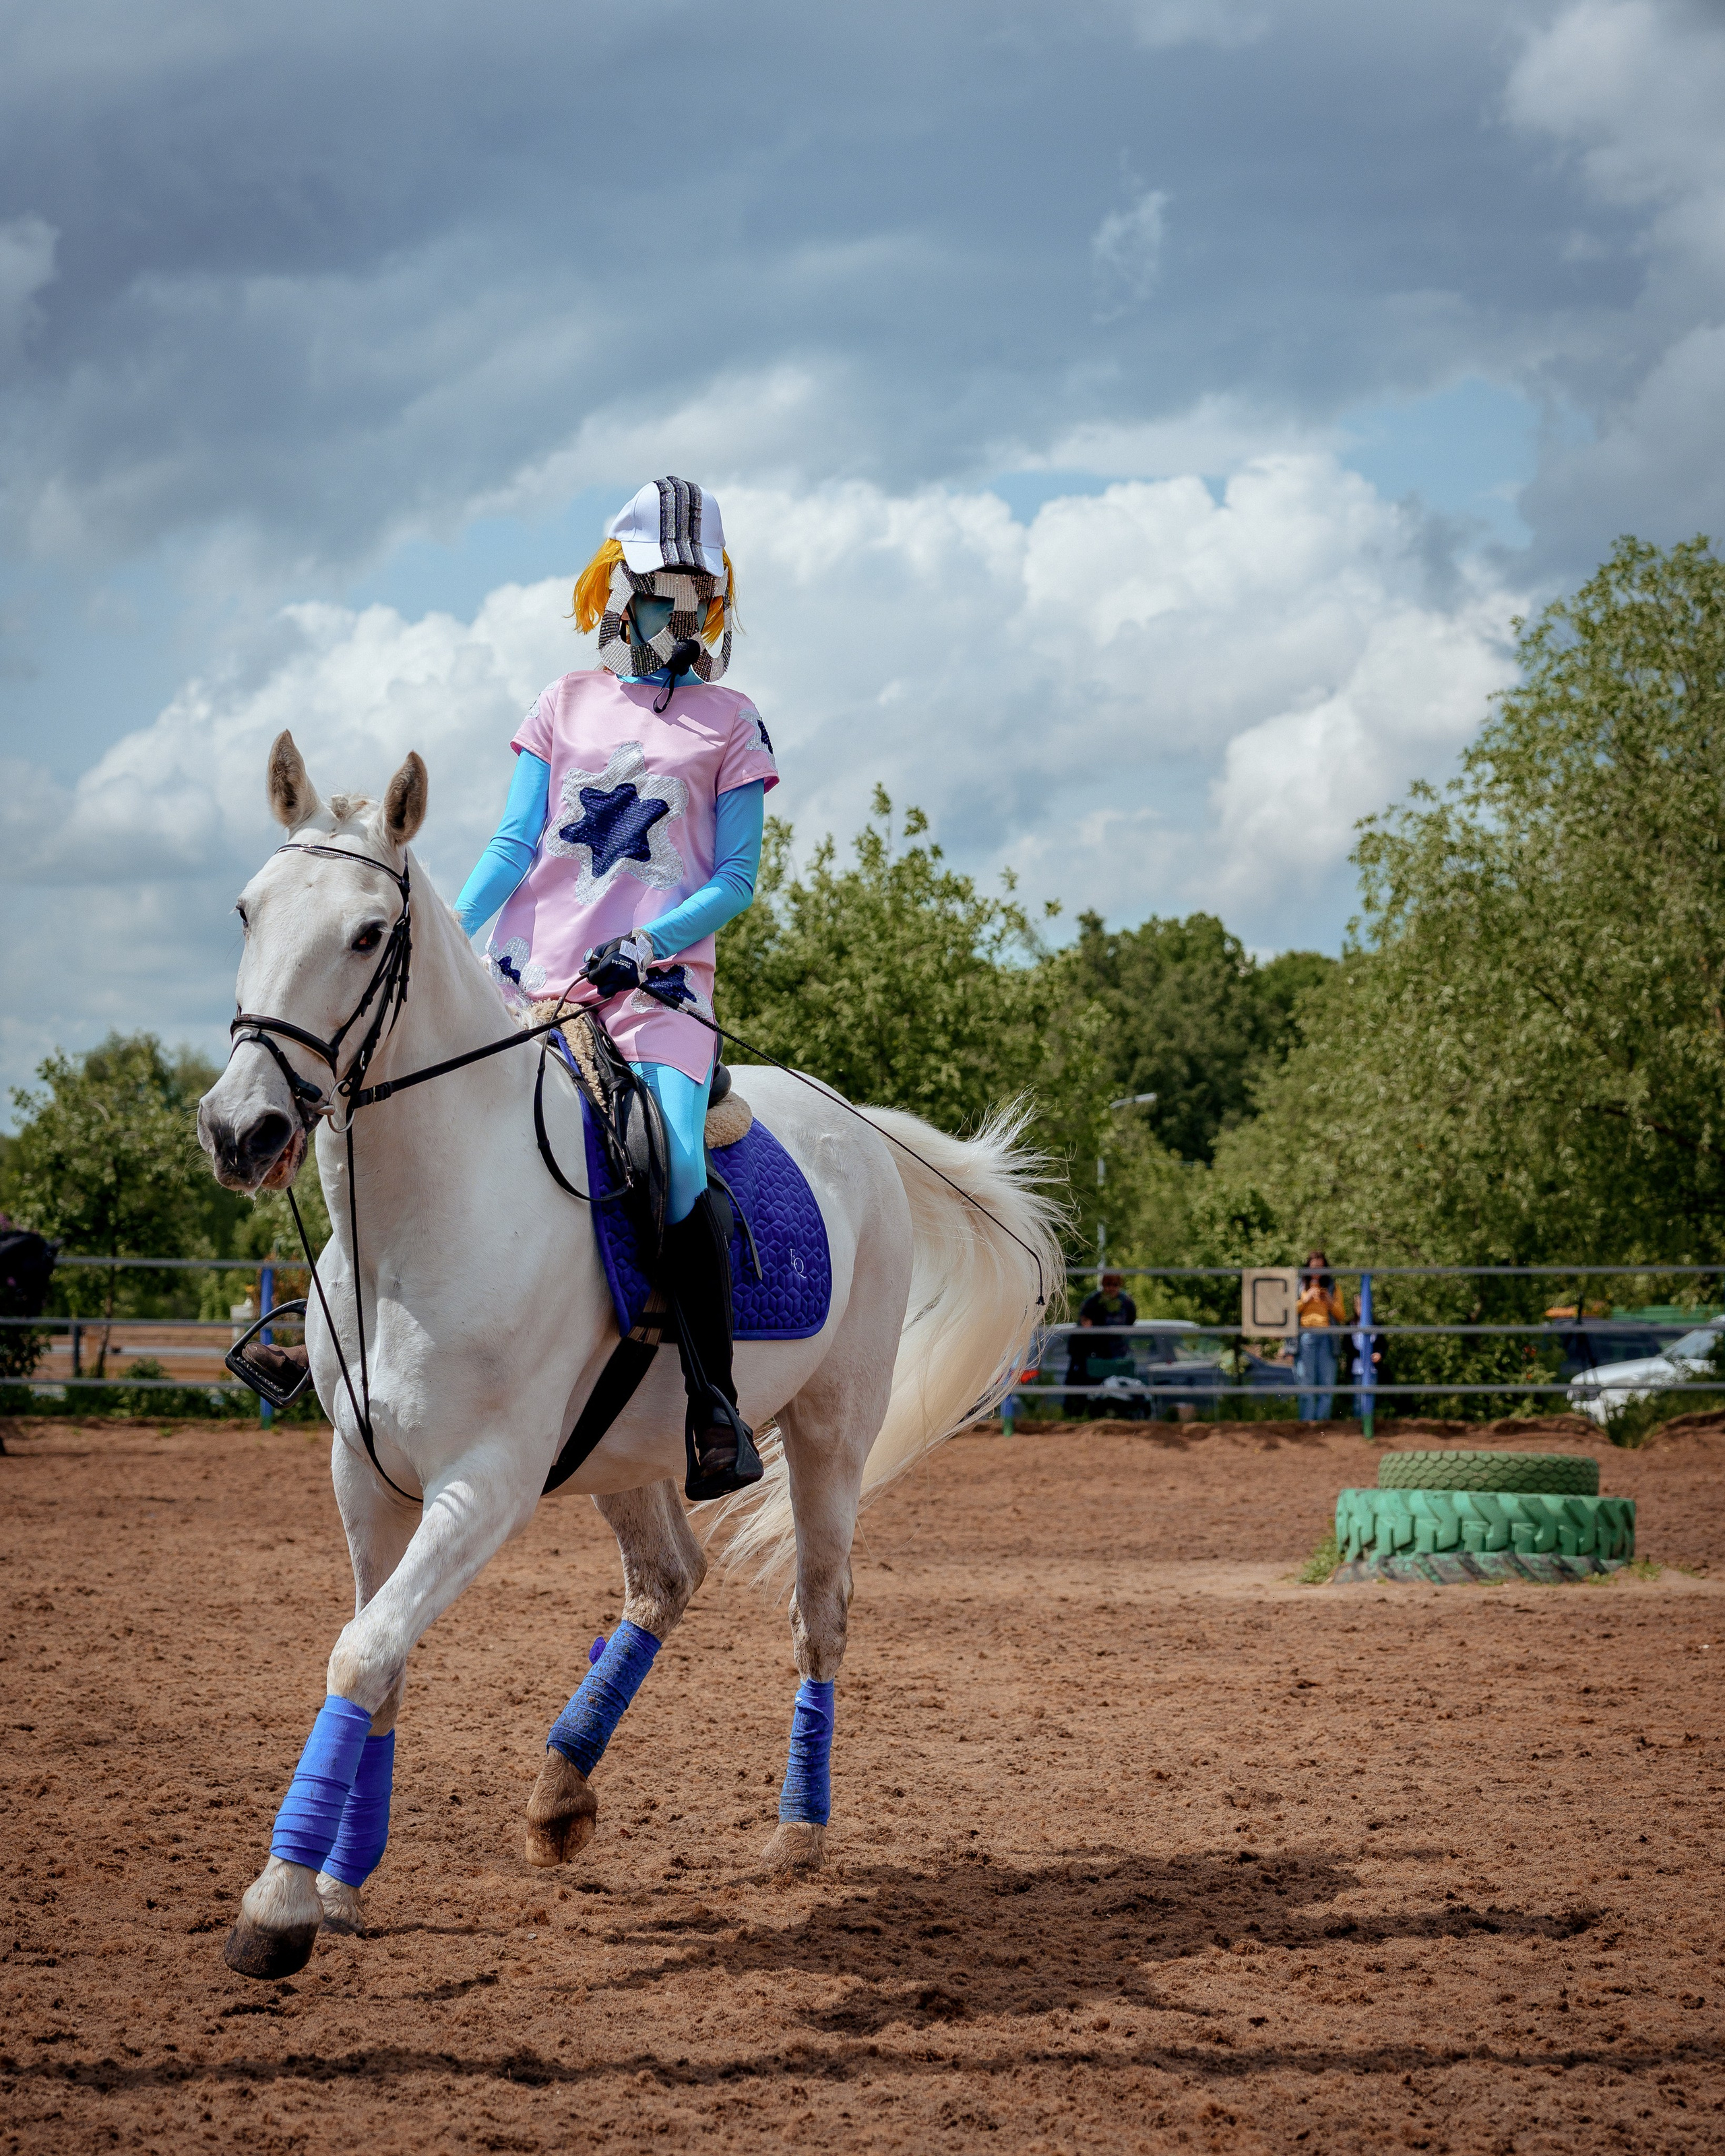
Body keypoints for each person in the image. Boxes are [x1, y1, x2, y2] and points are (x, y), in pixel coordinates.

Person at [454, 476, 780, 1500]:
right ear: (619, 593)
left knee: (674, 1160)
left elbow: (737, 879)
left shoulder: (734, 722)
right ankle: (339, 1334)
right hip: (528, 984)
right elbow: (514, 845)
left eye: (696, 595)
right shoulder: (560, 701)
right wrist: (453, 936)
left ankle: (714, 1407)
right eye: (659, 593)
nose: (678, 614)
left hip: (654, 997)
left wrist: (648, 946)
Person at [1064, 1269, 1138, 1417]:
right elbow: (1084, 1324)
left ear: (1120, 1285)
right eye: (1108, 1284)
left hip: (1118, 1353)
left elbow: (1131, 1322)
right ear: (1103, 1285)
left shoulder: (1127, 1302)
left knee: (1117, 1386)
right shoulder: (1093, 1301)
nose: (1111, 1288)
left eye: (1115, 1285)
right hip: (1095, 1354)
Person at [1294, 1249, 1348, 1421]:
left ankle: (1322, 1424)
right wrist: (1305, 1300)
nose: (1317, 1270)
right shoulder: (1298, 1285)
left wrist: (1330, 1303)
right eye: (1313, 1266)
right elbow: (1287, 1312)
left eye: (1320, 1267)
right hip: (1305, 1337)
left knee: (1327, 1384)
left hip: (1327, 1338)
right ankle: (1307, 1424)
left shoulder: (1333, 1287)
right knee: (1306, 1384)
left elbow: (1342, 1315)